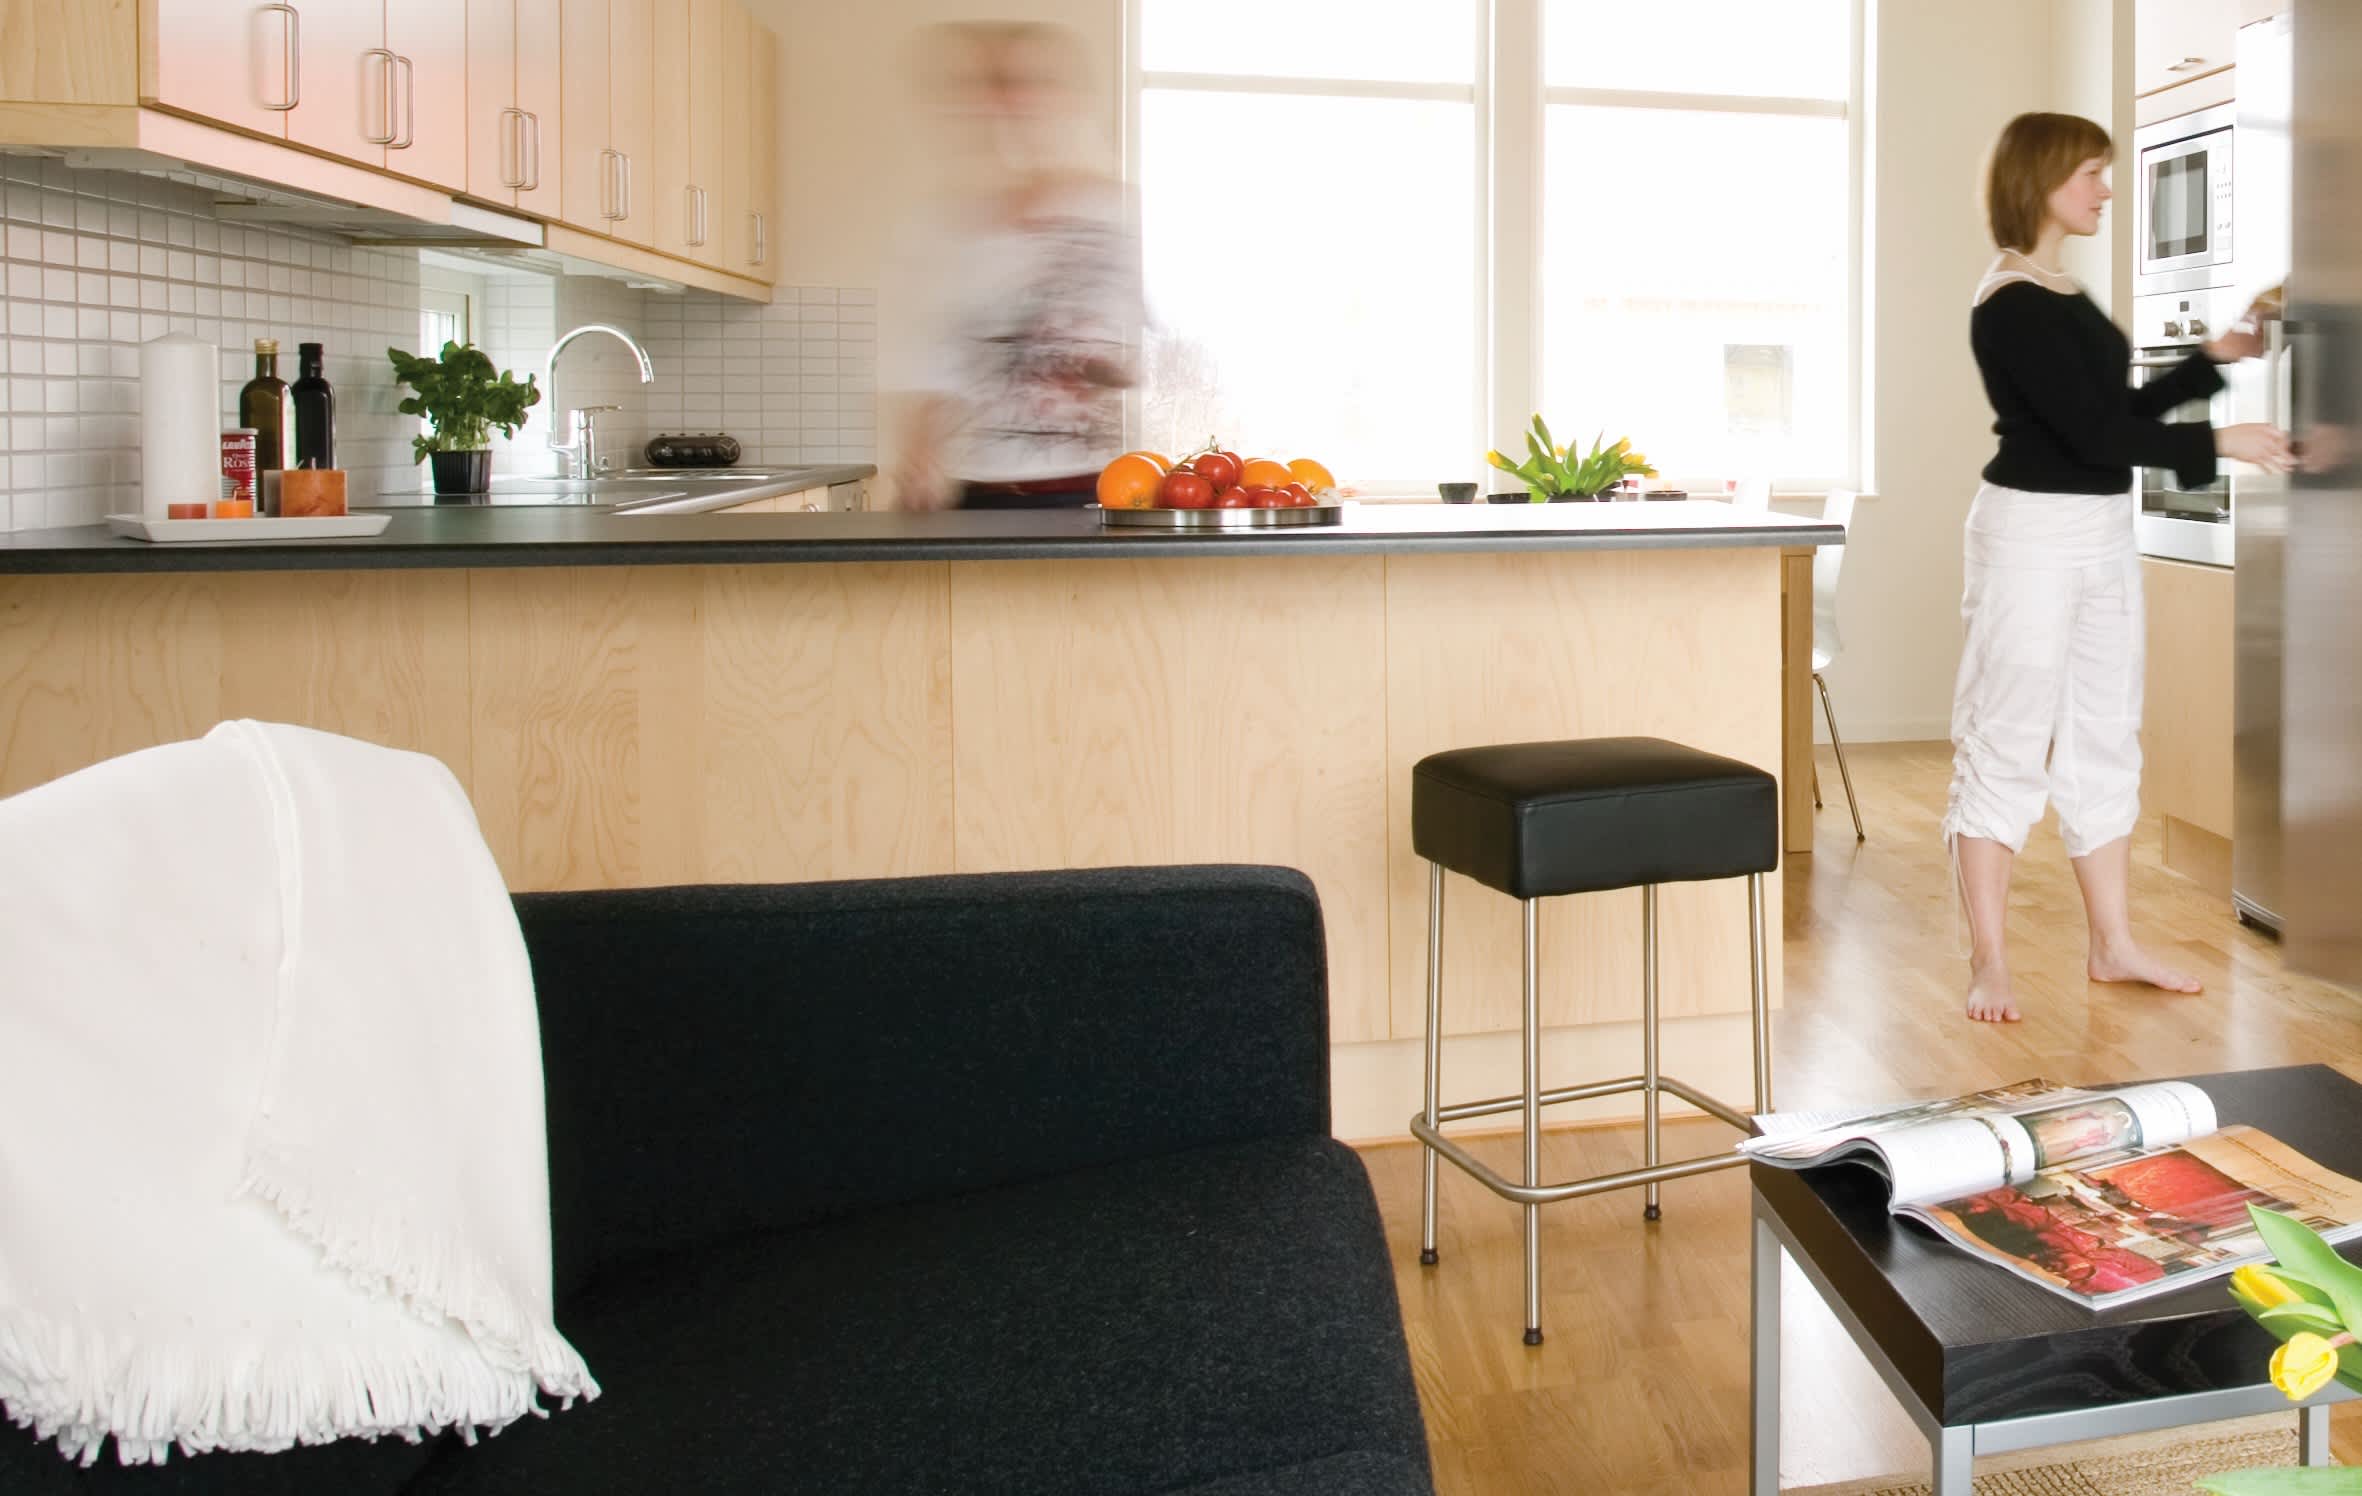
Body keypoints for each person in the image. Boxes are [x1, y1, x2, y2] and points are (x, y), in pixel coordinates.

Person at [1945, 111, 2294, 1023]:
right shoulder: (2010, 300)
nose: (2106, 190)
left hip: (2098, 530)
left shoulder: (2061, 290)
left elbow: (2120, 407)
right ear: (2044, 177)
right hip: (2029, 536)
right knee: (2009, 733)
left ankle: (2114, 943)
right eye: (2093, 173)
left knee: (2105, 728)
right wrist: (2222, 439)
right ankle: (1990, 960)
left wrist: (2215, 358)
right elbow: (2092, 433)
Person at [879, 22, 1143, 511]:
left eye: (1034, 84)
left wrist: (1102, 366)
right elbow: (927, 361)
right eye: (1000, 85)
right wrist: (917, 456)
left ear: (1065, 99)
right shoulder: (947, 225)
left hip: (1085, 490)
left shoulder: (1108, 213)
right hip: (974, 490)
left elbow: (1133, 353)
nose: (1016, 102)